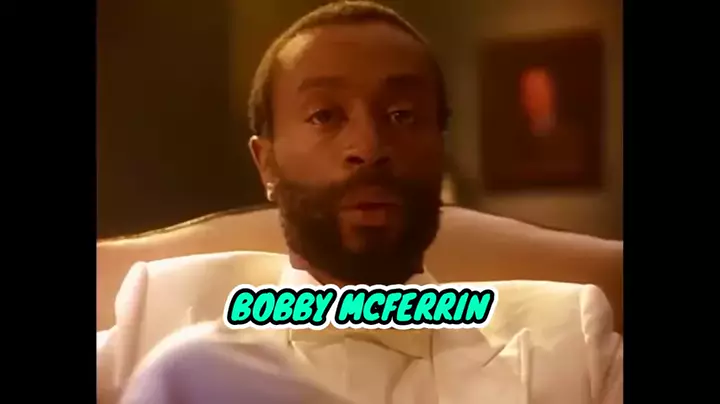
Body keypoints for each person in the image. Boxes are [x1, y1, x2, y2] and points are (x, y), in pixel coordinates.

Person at [98, 2, 623, 403]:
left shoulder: (571, 341)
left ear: (439, 149)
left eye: (401, 115)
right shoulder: (160, 318)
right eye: (325, 115)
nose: (369, 147)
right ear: (267, 163)